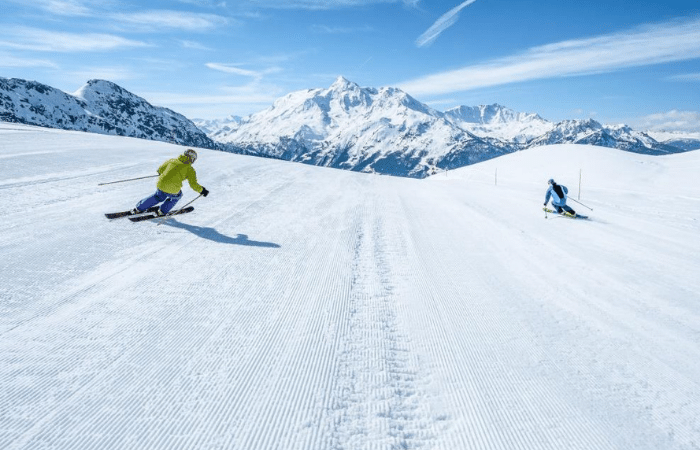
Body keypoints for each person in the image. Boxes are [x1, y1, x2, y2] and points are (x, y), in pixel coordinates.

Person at [132, 149, 209, 216]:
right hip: (173, 189)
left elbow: (160, 170)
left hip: (161, 184)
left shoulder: (172, 160)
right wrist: (202, 190)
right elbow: (193, 185)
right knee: (177, 196)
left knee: (158, 196)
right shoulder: (190, 169)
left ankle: (139, 208)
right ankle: (162, 211)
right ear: (192, 159)